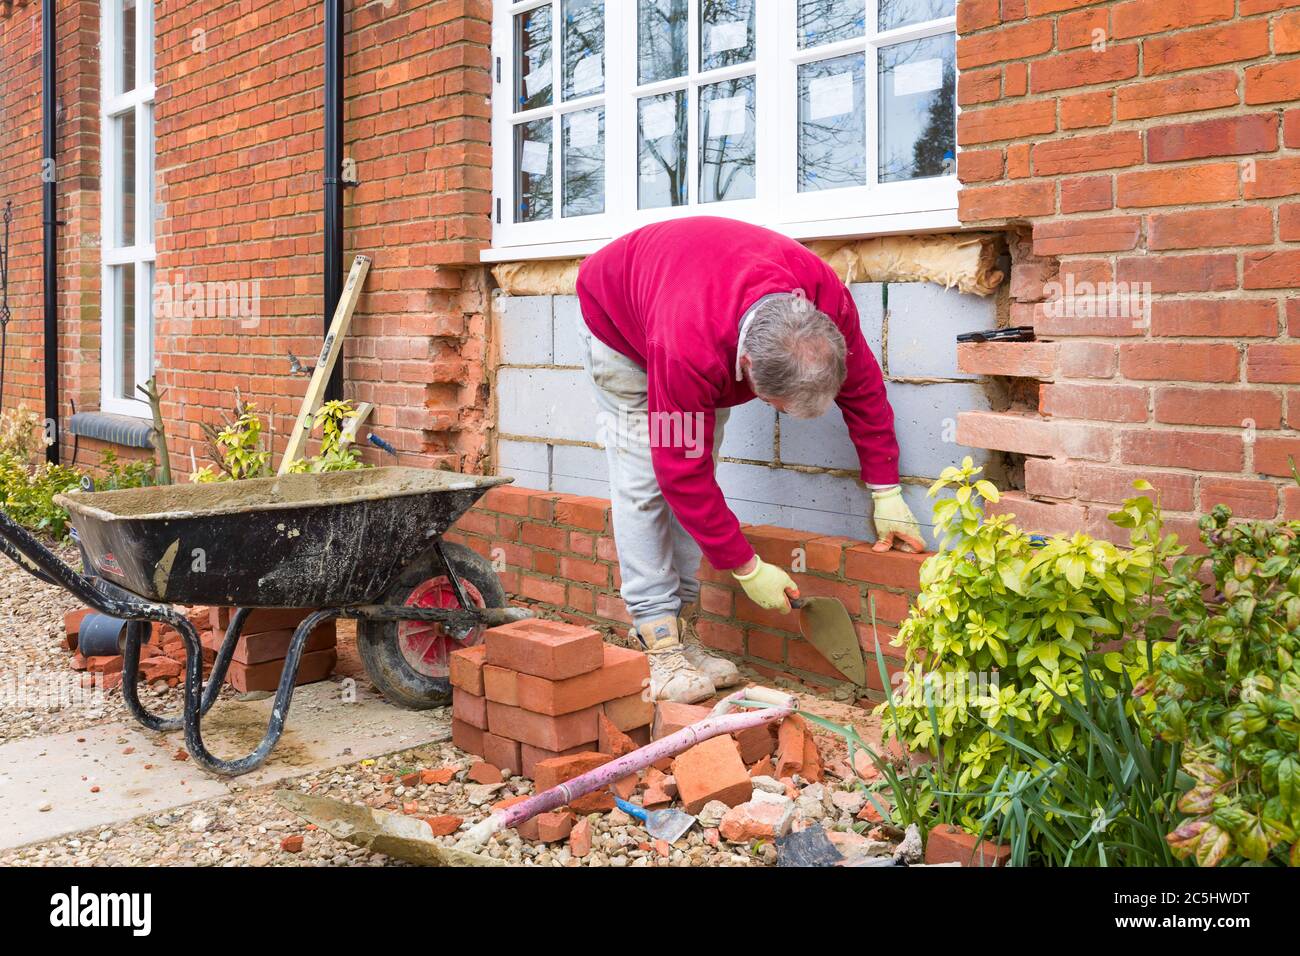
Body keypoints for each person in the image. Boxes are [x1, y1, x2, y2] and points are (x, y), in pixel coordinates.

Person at [575, 217, 924, 703]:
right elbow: (682, 474)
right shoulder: (686, 349)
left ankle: (686, 632)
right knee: (646, 481)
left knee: (700, 472)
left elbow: (864, 390)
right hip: (622, 324)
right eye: (777, 407)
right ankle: (658, 640)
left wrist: (886, 490)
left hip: (695, 295)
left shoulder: (827, 303)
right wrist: (745, 566)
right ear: (745, 369)